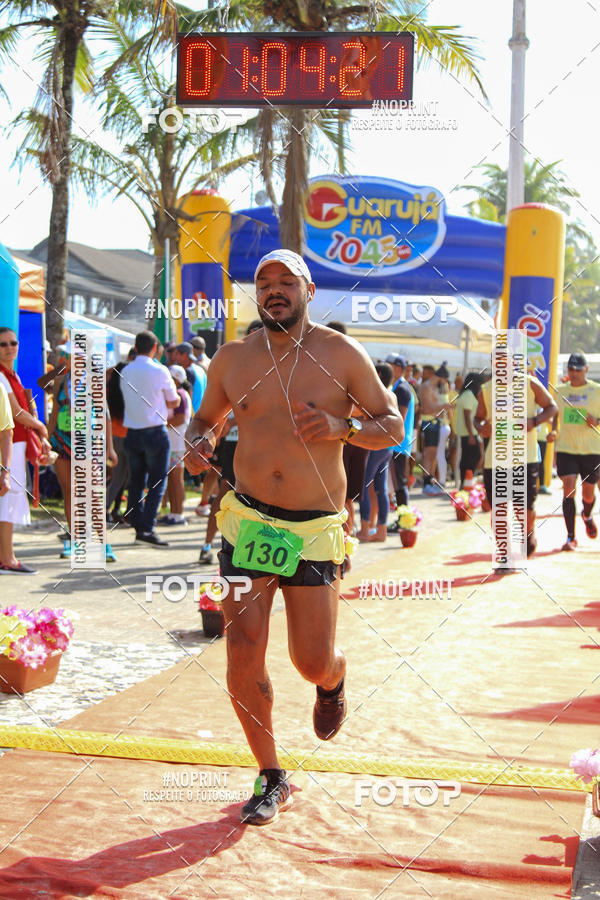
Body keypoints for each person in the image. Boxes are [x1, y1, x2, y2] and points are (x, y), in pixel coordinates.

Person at [185, 249, 403, 826]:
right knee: (240, 651)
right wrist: (197, 439)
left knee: (308, 660)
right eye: (265, 281)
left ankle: (332, 680)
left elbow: (392, 424)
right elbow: (206, 418)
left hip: (311, 530)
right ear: (256, 293)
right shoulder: (232, 358)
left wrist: (343, 426)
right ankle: (270, 773)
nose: (275, 289)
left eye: (287, 281)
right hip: (249, 523)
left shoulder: (340, 354)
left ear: (308, 290)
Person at [475, 370, 557, 560]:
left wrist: (534, 421)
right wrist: (481, 427)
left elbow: (551, 407)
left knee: (523, 511)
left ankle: (528, 534)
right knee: (500, 509)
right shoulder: (486, 390)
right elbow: (478, 418)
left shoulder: (530, 384)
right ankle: (504, 554)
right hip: (495, 461)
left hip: (524, 458)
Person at [121, 331, 179, 546]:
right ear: (155, 347)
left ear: (136, 347)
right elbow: (173, 401)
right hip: (155, 430)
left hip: (133, 432)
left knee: (136, 482)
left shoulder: (126, 370)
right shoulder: (160, 370)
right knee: (157, 483)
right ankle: (146, 529)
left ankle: (138, 525)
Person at [0, 327, 50, 573]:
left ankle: (8, 556)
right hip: (8, 441)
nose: (9, 347)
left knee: (10, 498)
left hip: (16, 440)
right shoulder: (1, 376)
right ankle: (7, 558)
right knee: (8, 498)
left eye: (13, 342)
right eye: (3, 344)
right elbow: (15, 412)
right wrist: (40, 426)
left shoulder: (12, 375)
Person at [550, 352, 600, 550]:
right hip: (566, 448)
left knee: (588, 494)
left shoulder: (596, 390)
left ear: (586, 370)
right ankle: (571, 537)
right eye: (571, 369)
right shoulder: (560, 391)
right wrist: (554, 430)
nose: (574, 373)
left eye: (578, 370)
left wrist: (597, 422)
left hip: (591, 449)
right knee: (569, 487)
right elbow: (555, 414)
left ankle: (586, 515)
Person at [357, 362, 398, 542]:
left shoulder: (377, 394)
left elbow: (363, 414)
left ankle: (365, 530)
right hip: (387, 447)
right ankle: (381, 530)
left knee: (365, 487)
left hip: (375, 445)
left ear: (379, 375)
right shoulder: (392, 394)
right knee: (381, 489)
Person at [158, 364, 192, 526]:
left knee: (176, 480)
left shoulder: (180, 394)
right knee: (172, 480)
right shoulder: (180, 393)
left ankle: (178, 515)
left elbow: (179, 419)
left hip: (177, 444)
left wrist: (161, 424)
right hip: (174, 443)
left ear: (176, 379)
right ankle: (173, 513)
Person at [386, 354, 416, 530]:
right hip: (397, 442)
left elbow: (400, 418)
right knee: (397, 484)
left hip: (399, 443)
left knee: (399, 483)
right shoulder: (399, 386)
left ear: (398, 368)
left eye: (390, 365)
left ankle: (404, 521)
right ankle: (403, 520)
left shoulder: (403, 388)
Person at [455, 373, 482, 488]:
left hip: (467, 432)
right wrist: (471, 434)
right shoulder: (468, 395)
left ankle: (465, 483)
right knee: (473, 457)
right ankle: (466, 482)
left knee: (467, 458)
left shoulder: (465, 394)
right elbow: (467, 416)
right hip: (469, 432)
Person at [172, 342, 207, 413]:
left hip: (192, 418)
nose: (173, 357)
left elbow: (187, 398)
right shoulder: (200, 370)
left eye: (176, 354)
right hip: (201, 416)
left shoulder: (188, 372)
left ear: (184, 355)